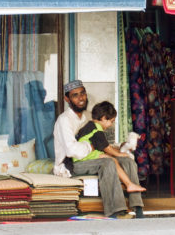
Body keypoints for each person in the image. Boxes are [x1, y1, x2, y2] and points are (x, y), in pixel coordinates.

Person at [52, 81, 145, 219]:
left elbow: (101, 142)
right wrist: (95, 147)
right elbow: (72, 151)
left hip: (90, 158)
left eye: (82, 93)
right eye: (75, 95)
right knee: (108, 163)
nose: (81, 98)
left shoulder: (86, 118)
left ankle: (137, 208)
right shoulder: (64, 120)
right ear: (67, 99)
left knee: (126, 161)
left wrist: (119, 147)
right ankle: (115, 211)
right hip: (71, 164)